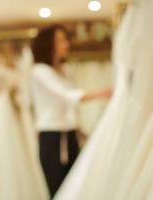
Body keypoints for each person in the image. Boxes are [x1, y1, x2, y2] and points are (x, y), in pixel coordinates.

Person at [29, 25, 112, 196]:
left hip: (70, 135)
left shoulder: (64, 72)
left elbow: (68, 106)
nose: (66, 45)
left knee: (75, 187)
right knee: (58, 189)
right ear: (48, 44)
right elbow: (68, 96)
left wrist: (78, 129)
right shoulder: (39, 71)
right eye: (60, 40)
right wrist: (104, 93)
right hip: (52, 138)